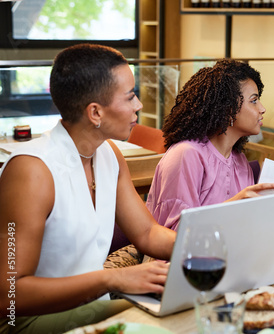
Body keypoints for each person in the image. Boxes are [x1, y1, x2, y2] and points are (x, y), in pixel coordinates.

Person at [0, 44, 177, 333]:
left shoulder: (109, 154)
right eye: (130, 96)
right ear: (95, 112)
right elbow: (9, 295)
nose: (139, 105)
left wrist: (203, 248)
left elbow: (146, 233)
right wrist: (113, 279)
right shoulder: (31, 171)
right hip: (29, 321)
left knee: (184, 306)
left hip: (92, 306)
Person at [146, 59, 274, 231]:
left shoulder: (239, 160)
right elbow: (174, 233)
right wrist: (232, 206)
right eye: (253, 101)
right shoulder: (186, 155)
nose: (262, 109)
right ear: (228, 109)